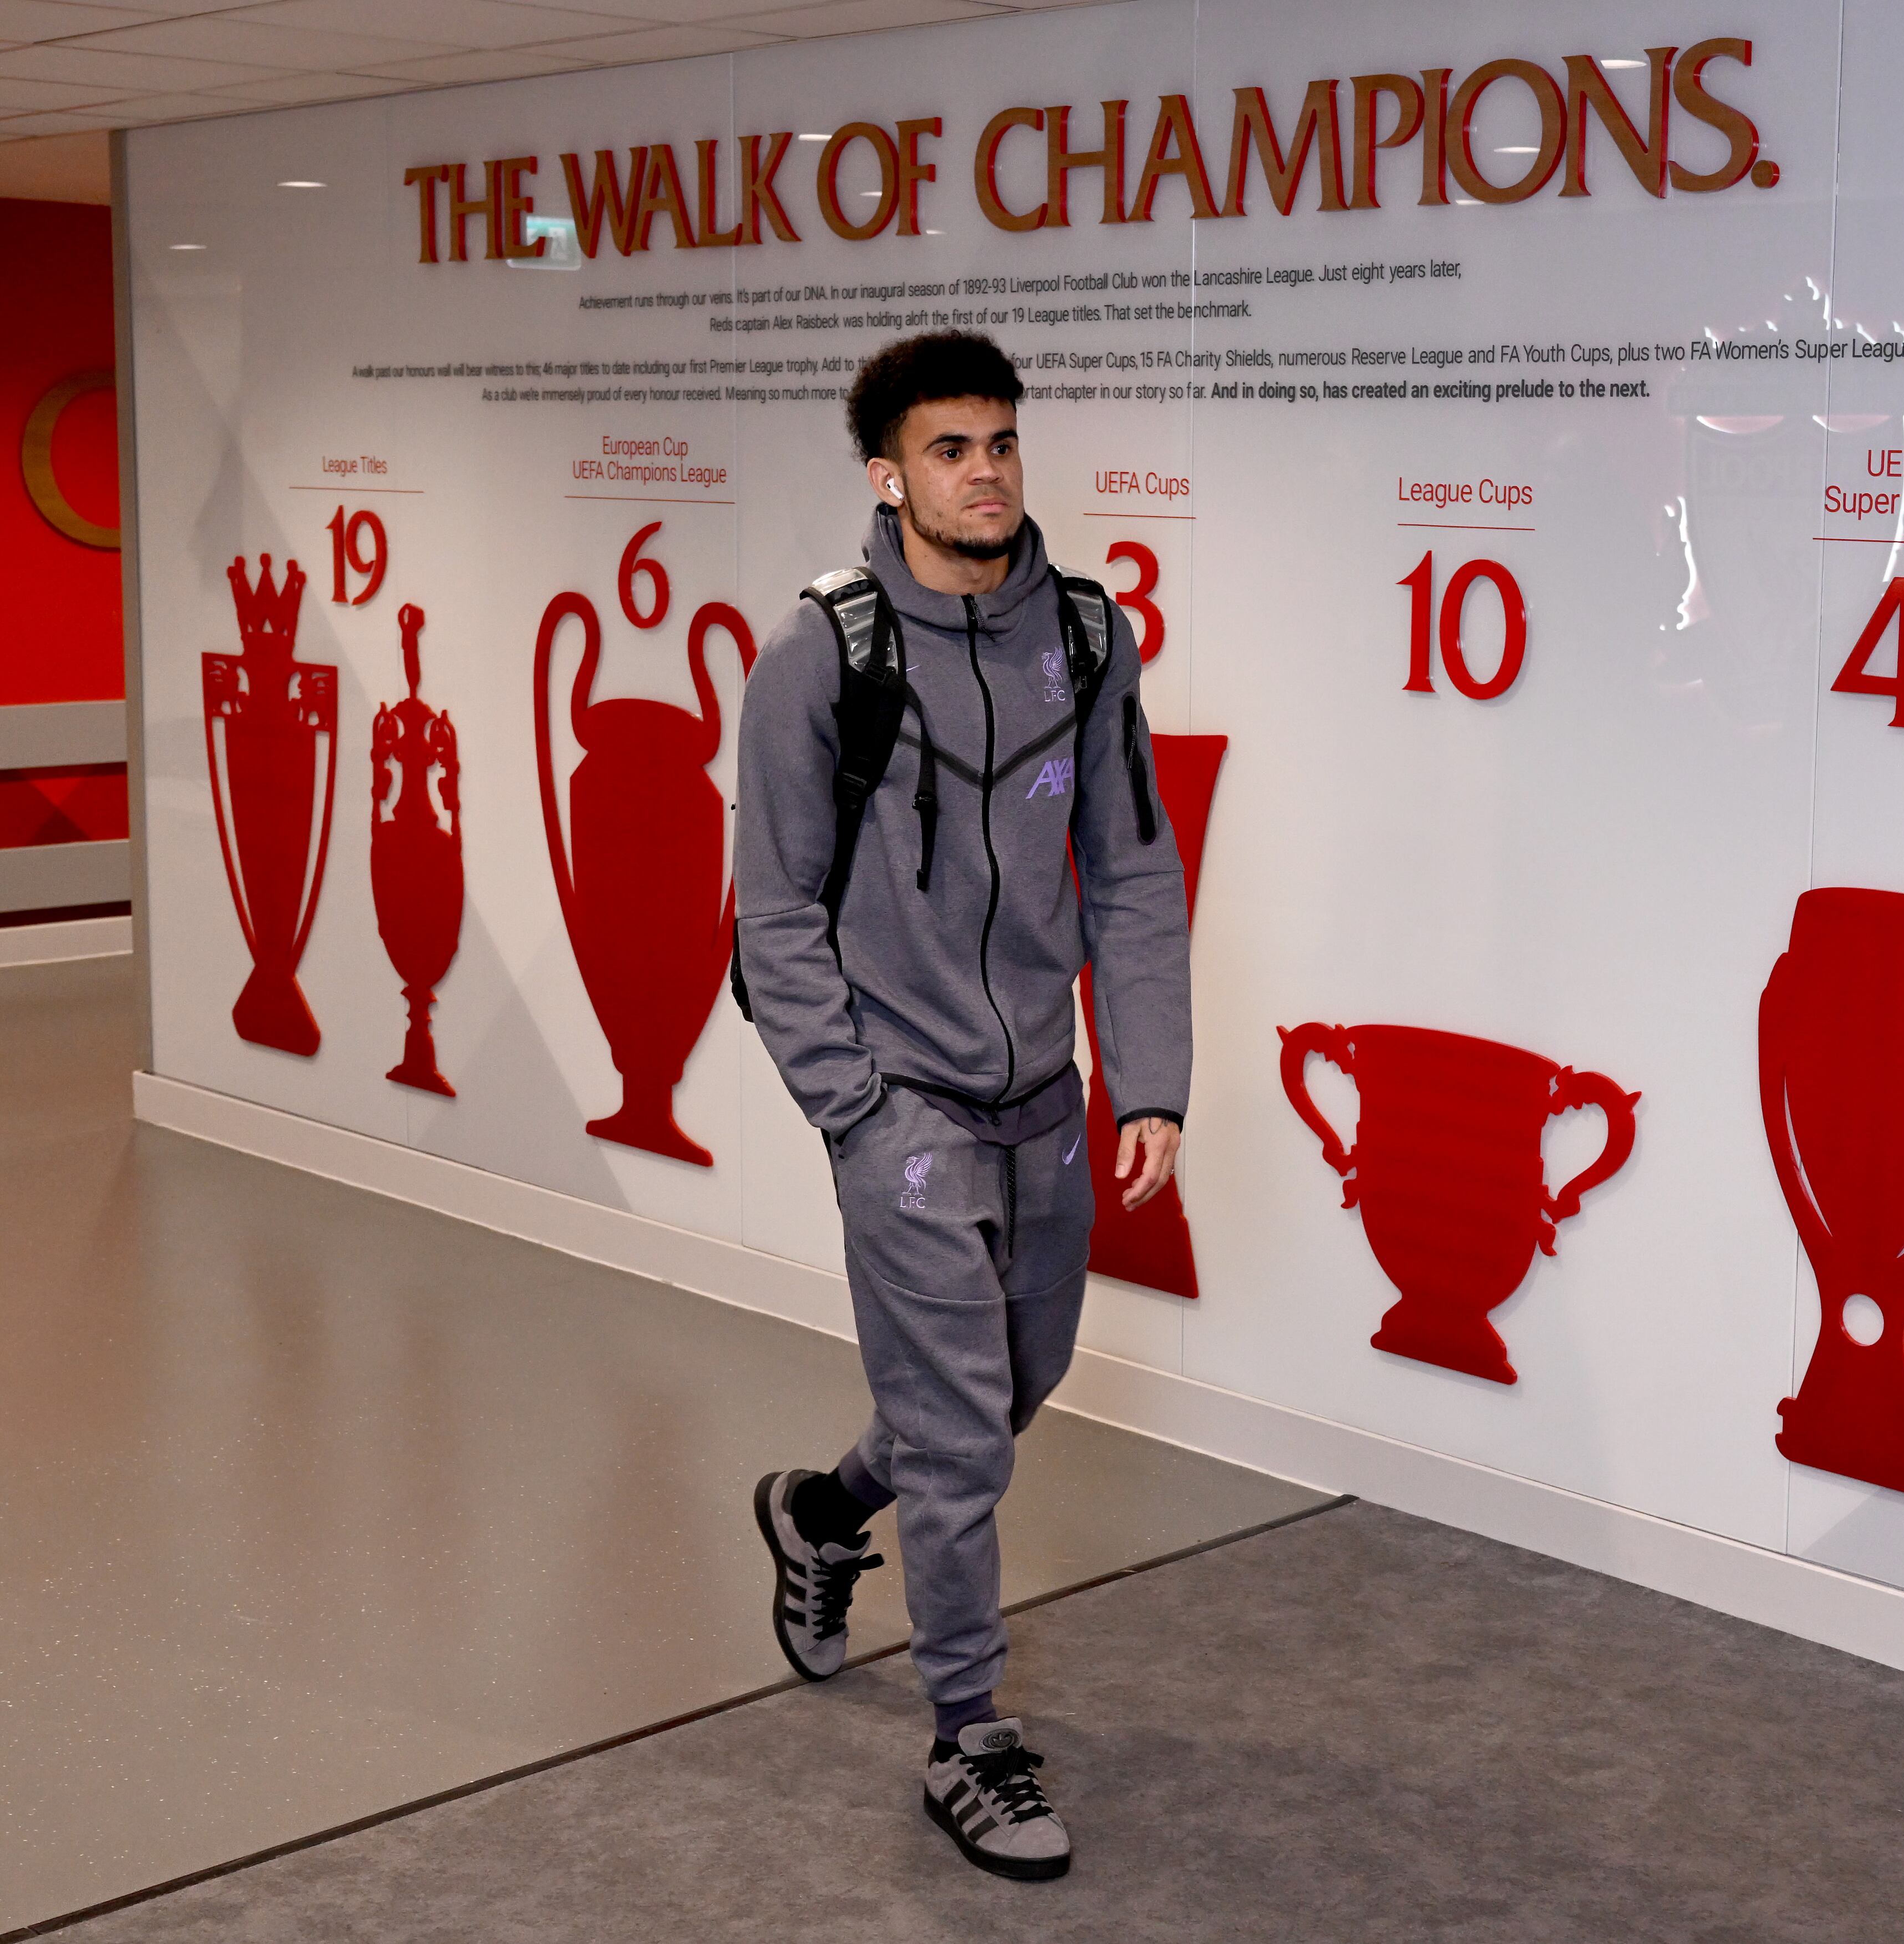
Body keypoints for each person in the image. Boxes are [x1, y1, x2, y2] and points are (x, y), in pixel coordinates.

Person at [735, 331, 1192, 1881]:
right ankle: (969, 1731)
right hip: (906, 1107)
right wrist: (852, 1106)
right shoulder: (822, 656)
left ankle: (818, 1508)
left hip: (1045, 1097)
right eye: (950, 447)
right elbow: (772, 907)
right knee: (961, 1442)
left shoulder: (1083, 634)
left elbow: (1129, 867)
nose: (985, 468)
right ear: (889, 474)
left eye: (1000, 441)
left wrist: (1151, 1076)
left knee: (1012, 1381)